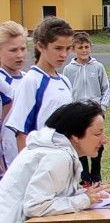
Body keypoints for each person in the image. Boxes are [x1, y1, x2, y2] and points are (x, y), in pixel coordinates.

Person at [6, 17, 75, 157]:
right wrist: (28, 167)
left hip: (62, 160)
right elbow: (21, 133)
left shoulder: (65, 81)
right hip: (40, 162)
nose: (64, 54)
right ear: (40, 46)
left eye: (68, 48)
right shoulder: (32, 81)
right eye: (58, 48)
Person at [63, 31, 110, 184]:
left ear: (90, 47)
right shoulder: (69, 69)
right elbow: (67, 90)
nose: (84, 50)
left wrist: (102, 107)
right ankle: (84, 175)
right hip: (77, 112)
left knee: (97, 142)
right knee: (80, 141)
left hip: (95, 111)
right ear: (73, 49)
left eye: (86, 47)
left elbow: (105, 88)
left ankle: (96, 174)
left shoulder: (98, 67)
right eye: (80, 48)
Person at [0, 20, 28, 173]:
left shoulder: (29, 79)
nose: (20, 55)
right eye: (13, 50)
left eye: (23, 49)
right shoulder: (2, 83)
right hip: (7, 162)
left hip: (29, 157)